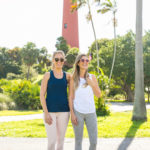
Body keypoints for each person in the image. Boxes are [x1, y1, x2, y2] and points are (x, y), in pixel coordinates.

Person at [69, 54, 101, 150]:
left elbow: (99, 94)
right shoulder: (73, 78)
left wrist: (92, 84)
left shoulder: (92, 77)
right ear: (78, 63)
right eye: (82, 60)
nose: (85, 62)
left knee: (94, 142)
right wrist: (72, 114)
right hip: (78, 112)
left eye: (87, 60)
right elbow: (70, 97)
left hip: (91, 112)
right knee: (78, 142)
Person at [40, 50, 71, 150]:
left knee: (61, 141)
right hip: (50, 112)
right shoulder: (47, 75)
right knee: (52, 141)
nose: (59, 61)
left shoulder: (67, 76)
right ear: (53, 60)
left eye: (61, 59)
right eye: (57, 59)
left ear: (64, 61)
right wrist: (46, 112)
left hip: (64, 112)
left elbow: (72, 94)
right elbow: (42, 95)